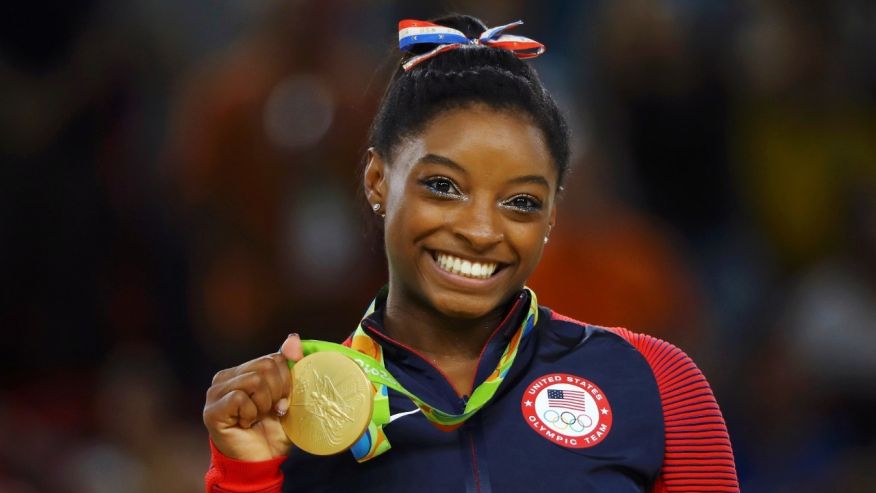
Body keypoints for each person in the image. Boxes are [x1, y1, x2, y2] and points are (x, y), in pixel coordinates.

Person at [202, 14, 739, 493]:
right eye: (443, 186)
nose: (482, 231)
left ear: (552, 216)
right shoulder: (293, 415)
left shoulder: (653, 380)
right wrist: (248, 476)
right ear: (376, 180)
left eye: (522, 201)